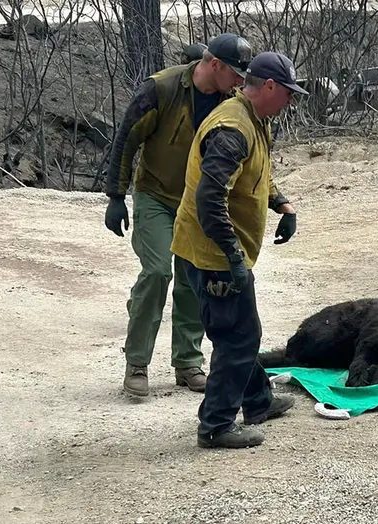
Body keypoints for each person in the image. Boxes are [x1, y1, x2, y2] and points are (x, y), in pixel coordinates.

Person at [103, 33, 254, 397]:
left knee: (191, 278)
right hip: (154, 194)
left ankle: (187, 363)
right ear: (213, 64)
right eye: (234, 72)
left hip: (193, 201)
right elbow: (127, 138)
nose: (239, 81)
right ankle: (137, 363)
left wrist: (277, 200)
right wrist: (116, 195)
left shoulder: (231, 102)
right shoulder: (161, 88)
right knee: (156, 272)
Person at [171, 51, 308, 449]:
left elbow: (256, 173)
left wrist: (282, 204)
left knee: (239, 330)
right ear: (268, 87)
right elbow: (209, 198)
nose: (291, 102)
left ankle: (257, 400)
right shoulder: (232, 128)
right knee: (238, 336)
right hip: (212, 252)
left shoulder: (251, 118)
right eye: (288, 93)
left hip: (211, 249)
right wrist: (232, 258)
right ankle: (215, 425)